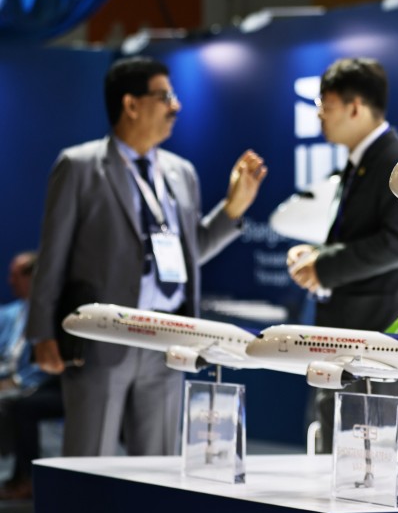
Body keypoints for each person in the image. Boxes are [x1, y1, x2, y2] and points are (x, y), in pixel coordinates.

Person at [26, 56, 267, 457]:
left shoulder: (180, 172)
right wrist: (42, 333)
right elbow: (52, 255)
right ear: (131, 104)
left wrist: (232, 209)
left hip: (168, 340)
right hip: (104, 338)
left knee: (157, 468)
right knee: (90, 463)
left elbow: (189, 253)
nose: (176, 106)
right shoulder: (79, 166)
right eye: (164, 96)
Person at [287, 58, 398, 451]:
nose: (319, 115)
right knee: (342, 452)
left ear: (355, 107)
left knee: (377, 459)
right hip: (352, 333)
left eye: (325, 106)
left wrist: (326, 266)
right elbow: (364, 236)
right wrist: (317, 255)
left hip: (381, 337)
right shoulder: (361, 162)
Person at [0, 251, 61, 500]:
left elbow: (50, 365)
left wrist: (15, 383)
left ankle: (26, 477)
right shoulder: (8, 314)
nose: (10, 282)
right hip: (7, 381)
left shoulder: (51, 314)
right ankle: (19, 476)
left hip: (42, 386)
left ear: (32, 277)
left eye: (15, 275)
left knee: (16, 406)